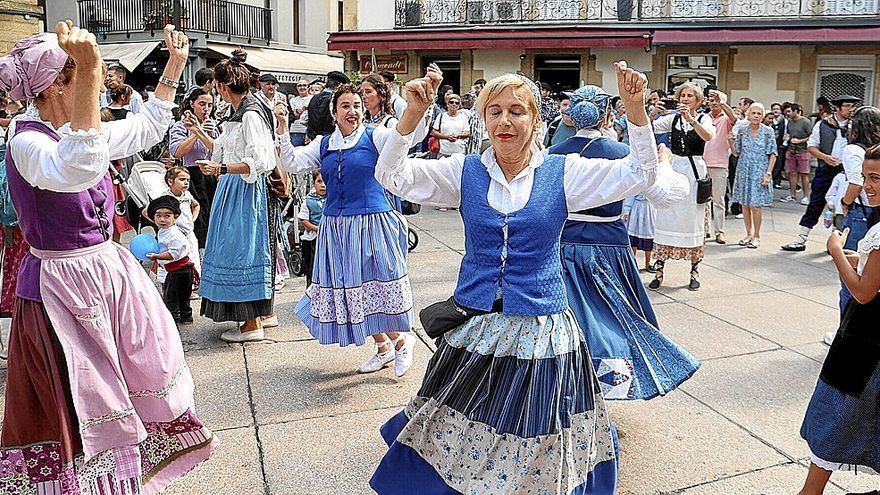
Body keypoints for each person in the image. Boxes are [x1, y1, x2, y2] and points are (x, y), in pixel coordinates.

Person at [369, 62, 658, 494]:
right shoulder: (463, 172)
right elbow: (391, 174)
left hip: (543, 327)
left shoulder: (564, 172)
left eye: (517, 111)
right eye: (495, 111)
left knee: (539, 432)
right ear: (483, 120)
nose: (505, 120)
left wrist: (636, 113)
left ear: (536, 120)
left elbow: (641, 174)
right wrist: (412, 115)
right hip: (477, 324)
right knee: (459, 425)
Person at [0, 22, 216, 492]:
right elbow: (76, 168)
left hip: (103, 278)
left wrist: (175, 66)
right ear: (61, 84)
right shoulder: (26, 139)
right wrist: (92, 66)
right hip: (60, 290)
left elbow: (146, 126)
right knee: (81, 400)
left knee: (128, 383)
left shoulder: (77, 131)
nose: (98, 86)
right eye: (90, 77)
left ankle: (120, 481)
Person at [547, 84, 698, 401]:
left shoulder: (552, 155)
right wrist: (665, 163)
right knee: (614, 317)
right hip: (609, 248)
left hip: (560, 245)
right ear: (605, 116)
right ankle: (609, 384)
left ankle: (561, 382)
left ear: (572, 116)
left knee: (562, 318)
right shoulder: (624, 156)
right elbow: (666, 195)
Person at [274, 81, 426, 378]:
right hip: (336, 228)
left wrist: (415, 110)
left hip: (373, 222)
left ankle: (401, 340)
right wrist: (282, 129)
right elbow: (291, 161)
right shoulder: (324, 143)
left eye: (357, 105)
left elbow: (404, 138)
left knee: (378, 286)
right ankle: (383, 347)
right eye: (345, 105)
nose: (353, 111)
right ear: (334, 112)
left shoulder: (376, 136)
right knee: (350, 290)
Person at [797, 145, 880, 495]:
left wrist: (834, 251)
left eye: (876, 178)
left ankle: (810, 492)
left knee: (841, 411)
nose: (868, 186)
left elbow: (864, 291)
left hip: (866, 338)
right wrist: (857, 257)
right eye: (865, 177)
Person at [196, 51, 278, 343]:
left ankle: (251, 323)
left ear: (221, 86)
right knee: (238, 248)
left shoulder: (250, 113)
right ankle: (260, 315)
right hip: (235, 187)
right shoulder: (240, 110)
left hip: (244, 190)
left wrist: (221, 167)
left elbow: (261, 160)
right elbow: (225, 146)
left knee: (241, 249)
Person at [649, 82, 716, 291]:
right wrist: (652, 114)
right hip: (676, 166)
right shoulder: (673, 118)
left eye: (690, 96)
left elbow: (708, 136)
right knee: (667, 214)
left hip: (695, 169)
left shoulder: (704, 118)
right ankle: (659, 271)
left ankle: (694, 271)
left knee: (693, 219)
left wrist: (691, 119)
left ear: (697, 99)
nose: (686, 99)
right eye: (683, 95)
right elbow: (649, 129)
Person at [782, 95, 860, 251]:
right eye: (847, 106)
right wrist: (825, 158)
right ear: (837, 108)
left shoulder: (856, 125)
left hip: (847, 172)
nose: (851, 109)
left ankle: (836, 243)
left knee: (844, 206)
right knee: (816, 203)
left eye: (853, 106)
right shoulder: (822, 125)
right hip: (826, 169)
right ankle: (801, 238)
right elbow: (811, 147)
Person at [169, 87, 216, 249]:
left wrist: (209, 133)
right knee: (197, 217)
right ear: (191, 104)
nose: (206, 109)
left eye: (210, 105)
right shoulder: (180, 126)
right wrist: (197, 132)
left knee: (213, 216)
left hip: (211, 175)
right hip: (191, 174)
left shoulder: (214, 125)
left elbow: (220, 151)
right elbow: (177, 152)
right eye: (202, 104)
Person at [730, 103, 777, 248]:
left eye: (759, 113)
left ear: (763, 116)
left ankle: (757, 235)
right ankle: (748, 234)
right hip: (744, 169)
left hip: (760, 169)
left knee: (756, 205)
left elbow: (773, 153)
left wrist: (768, 173)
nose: (756, 116)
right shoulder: (742, 131)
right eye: (753, 113)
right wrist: (730, 141)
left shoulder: (768, 131)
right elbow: (736, 152)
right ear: (748, 114)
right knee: (745, 204)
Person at [147, 195, 195, 323]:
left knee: (172, 297)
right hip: (175, 269)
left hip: (179, 270)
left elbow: (172, 254)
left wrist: (156, 256)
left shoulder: (174, 234)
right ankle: (186, 316)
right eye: (158, 216)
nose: (162, 219)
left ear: (176, 217)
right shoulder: (163, 230)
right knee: (182, 295)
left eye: (167, 216)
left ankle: (173, 320)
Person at [702, 89, 737, 244]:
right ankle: (704, 230)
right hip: (702, 163)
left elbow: (734, 119)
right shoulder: (704, 117)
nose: (713, 102)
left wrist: (723, 103)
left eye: (717, 100)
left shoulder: (726, 118)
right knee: (702, 200)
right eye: (711, 100)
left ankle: (719, 231)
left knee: (718, 200)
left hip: (719, 164)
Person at [161, 166, 201, 274]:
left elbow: (196, 205)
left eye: (188, 180)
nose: (186, 183)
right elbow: (148, 211)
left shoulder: (187, 195)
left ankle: (194, 283)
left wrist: (192, 219)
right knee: (176, 260)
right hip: (174, 235)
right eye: (182, 180)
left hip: (188, 233)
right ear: (170, 181)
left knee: (193, 259)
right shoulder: (166, 197)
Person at [781, 103, 814, 204]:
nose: (787, 114)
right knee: (792, 173)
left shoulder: (805, 122)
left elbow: (812, 136)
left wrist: (800, 141)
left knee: (804, 173)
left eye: (789, 111)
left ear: (796, 111)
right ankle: (793, 194)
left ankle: (806, 196)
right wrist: (787, 138)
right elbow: (789, 133)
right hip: (791, 150)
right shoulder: (789, 122)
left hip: (803, 151)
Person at [297, 170, 325, 286]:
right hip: (314, 239)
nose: (323, 185)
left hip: (331, 238)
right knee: (313, 268)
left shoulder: (333, 198)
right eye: (319, 181)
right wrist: (317, 229)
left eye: (325, 181)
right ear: (314, 184)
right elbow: (303, 219)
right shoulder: (308, 200)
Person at [306, 70, 350, 140]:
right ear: (338, 85)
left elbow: (307, 119)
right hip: (329, 138)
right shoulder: (334, 99)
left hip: (314, 137)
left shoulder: (314, 97)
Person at [431, 93, 470, 157]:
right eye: (451, 102)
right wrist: (447, 137)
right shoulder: (441, 116)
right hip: (443, 152)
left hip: (459, 152)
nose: (454, 104)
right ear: (447, 104)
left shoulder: (463, 117)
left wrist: (457, 135)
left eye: (457, 103)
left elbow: (467, 133)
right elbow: (434, 132)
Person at [288, 78, 311, 146]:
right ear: (297, 88)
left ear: (308, 87)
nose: (302, 87)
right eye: (300, 86)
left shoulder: (313, 98)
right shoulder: (292, 100)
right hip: (295, 131)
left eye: (304, 85)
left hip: (309, 132)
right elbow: (294, 116)